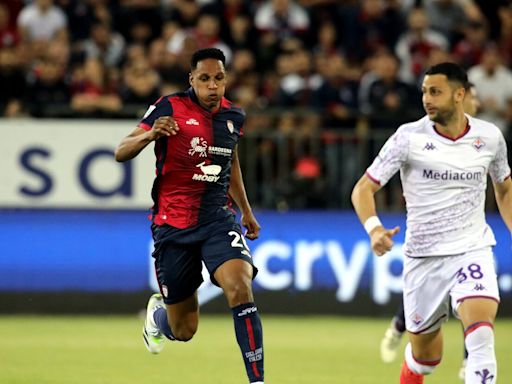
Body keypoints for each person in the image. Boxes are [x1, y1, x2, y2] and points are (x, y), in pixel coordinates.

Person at [352, 62, 511, 384]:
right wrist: (374, 228)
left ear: (459, 95)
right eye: (425, 91)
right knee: (426, 358)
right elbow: (363, 188)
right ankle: (415, 365)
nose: (427, 98)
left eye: (435, 91)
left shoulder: (490, 137)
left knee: (480, 337)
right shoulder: (408, 137)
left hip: (472, 248)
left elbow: (505, 187)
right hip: (424, 259)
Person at [115, 48, 264, 384]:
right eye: (205, 79)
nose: (213, 86)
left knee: (240, 285)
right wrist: (150, 134)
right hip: (173, 224)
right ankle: (159, 316)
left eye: (219, 78)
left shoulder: (234, 117)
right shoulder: (169, 107)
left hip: (217, 219)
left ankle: (257, 381)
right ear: (192, 80)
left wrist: (245, 211)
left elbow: (230, 161)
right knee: (184, 330)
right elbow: (120, 151)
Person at [379, 82, 482, 382]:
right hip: (429, 243)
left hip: (468, 241)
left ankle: (470, 360)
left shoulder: (484, 139)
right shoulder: (420, 137)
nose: (474, 102)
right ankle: (399, 327)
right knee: (424, 338)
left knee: (473, 302)